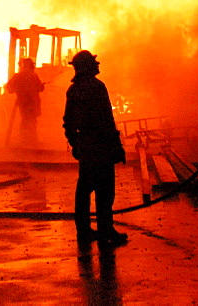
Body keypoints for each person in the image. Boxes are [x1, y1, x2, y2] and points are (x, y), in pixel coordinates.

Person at [63, 50, 128, 247]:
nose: (97, 65)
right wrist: (116, 146)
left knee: (84, 189)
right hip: (101, 145)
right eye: (94, 63)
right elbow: (107, 119)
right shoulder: (97, 87)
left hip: (86, 144)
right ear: (87, 67)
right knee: (105, 190)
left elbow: (68, 122)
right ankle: (105, 228)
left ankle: (83, 231)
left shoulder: (73, 90)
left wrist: (75, 143)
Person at [5, 57, 44, 146]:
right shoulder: (27, 76)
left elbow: (9, 89)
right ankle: (27, 140)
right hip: (27, 103)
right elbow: (9, 88)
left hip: (30, 103)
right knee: (28, 121)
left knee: (30, 121)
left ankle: (29, 140)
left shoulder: (30, 76)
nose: (33, 67)